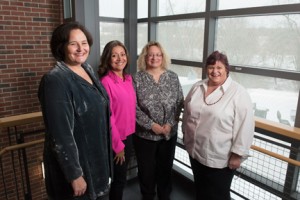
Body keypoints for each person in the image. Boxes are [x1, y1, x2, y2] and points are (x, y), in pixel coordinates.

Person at [38, 22, 113, 200]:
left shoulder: (86, 69)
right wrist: (74, 175)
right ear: (61, 47)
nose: (81, 48)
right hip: (78, 173)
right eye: (73, 44)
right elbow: (60, 134)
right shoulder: (55, 80)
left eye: (84, 42)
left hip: (96, 162)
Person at [182, 51, 254, 200]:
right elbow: (187, 113)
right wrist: (186, 136)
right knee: (201, 191)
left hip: (219, 159)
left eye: (219, 67)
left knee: (218, 195)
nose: (215, 71)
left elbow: (245, 126)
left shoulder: (238, 93)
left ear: (226, 69)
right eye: (211, 67)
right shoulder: (197, 86)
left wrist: (237, 155)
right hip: (195, 152)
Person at [133, 41, 184, 200]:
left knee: (165, 170)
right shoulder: (136, 79)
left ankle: (164, 197)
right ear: (145, 57)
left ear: (163, 57)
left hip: (168, 135)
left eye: (158, 54)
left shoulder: (172, 77)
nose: (154, 58)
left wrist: (169, 123)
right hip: (144, 136)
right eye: (150, 55)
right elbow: (132, 106)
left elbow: (179, 102)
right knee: (146, 172)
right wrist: (151, 125)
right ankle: (147, 196)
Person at [98, 40, 136, 200]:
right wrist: (118, 146)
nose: (119, 58)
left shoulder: (128, 79)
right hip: (118, 140)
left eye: (122, 54)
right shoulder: (105, 82)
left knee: (122, 179)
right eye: (114, 55)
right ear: (108, 58)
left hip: (131, 135)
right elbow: (108, 117)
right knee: (119, 180)